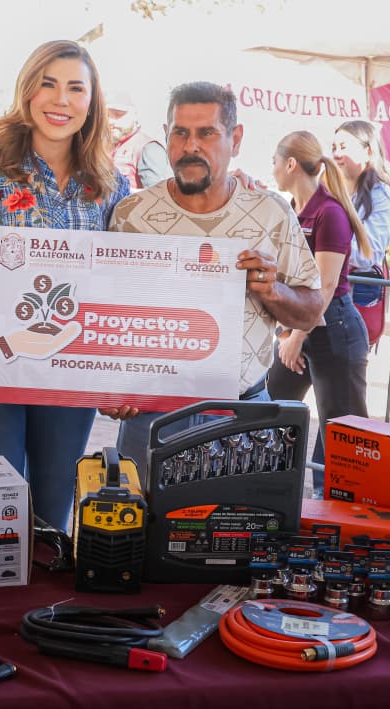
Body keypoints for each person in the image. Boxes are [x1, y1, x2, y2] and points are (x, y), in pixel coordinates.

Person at [0, 40, 129, 531]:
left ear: (92, 101)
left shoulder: (110, 185)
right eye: (48, 84)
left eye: (76, 88)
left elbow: (121, 284)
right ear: (27, 91)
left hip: (69, 376)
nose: (61, 100)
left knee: (51, 520)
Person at [101, 82, 324, 482]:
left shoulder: (271, 213)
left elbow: (310, 312)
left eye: (207, 133)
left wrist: (273, 291)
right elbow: (107, 316)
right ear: (165, 136)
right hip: (151, 416)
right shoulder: (130, 215)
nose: (191, 146)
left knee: (238, 522)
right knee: (141, 522)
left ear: (235, 140)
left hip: (242, 415)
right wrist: (113, 386)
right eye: (180, 133)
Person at [267, 131, 373, 496]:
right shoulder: (291, 210)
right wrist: (287, 334)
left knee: (341, 435)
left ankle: (335, 510)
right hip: (301, 328)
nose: (272, 168)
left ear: (290, 164)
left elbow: (325, 287)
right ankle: (273, 492)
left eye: (274, 161)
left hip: (334, 331)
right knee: (271, 408)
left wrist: (297, 336)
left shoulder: (330, 213)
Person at [332, 120, 390, 284]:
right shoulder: (334, 191)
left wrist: (322, 242)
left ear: (368, 152)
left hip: (356, 291)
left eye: (343, 147)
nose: (336, 154)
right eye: (334, 148)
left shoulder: (384, 197)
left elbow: (366, 255)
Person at [107, 90, 170, 190]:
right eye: (107, 115)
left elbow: (155, 195)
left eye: (118, 114)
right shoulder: (109, 145)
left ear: (135, 115)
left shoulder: (148, 147)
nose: (110, 121)